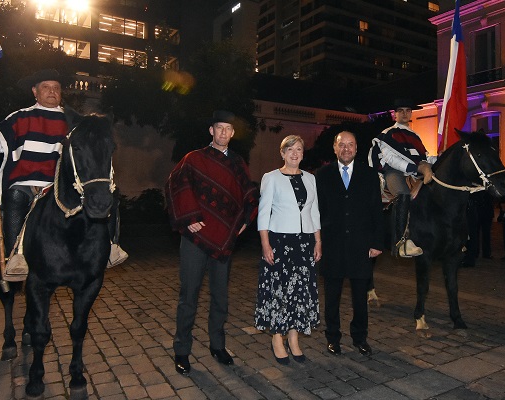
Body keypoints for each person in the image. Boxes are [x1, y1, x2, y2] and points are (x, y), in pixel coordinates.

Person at [165, 110, 259, 374]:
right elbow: (176, 185)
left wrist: (243, 223)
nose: (224, 133)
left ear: (232, 133)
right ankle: (182, 350)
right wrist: (188, 217)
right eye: (219, 128)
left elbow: (249, 196)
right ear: (211, 131)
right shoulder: (194, 158)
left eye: (228, 129)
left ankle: (218, 345)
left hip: (224, 241)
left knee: (220, 297)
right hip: (195, 238)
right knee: (189, 296)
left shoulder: (238, 163)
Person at [0, 69, 69, 278]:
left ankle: (108, 245)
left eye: (56, 88)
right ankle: (15, 257)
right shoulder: (20, 117)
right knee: (15, 196)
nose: (52, 92)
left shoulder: (71, 120)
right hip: (25, 183)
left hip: (57, 186)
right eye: (46, 87)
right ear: (35, 92)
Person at [316, 131, 385, 356]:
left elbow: (376, 210)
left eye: (350, 145)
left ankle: (360, 337)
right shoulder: (322, 175)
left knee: (359, 297)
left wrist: (376, 242)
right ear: (334, 149)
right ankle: (333, 337)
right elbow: (316, 212)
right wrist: (317, 243)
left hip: (361, 245)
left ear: (356, 148)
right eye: (341, 145)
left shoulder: (370, 175)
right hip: (332, 245)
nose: (346, 149)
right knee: (332, 296)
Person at [255, 135, 321, 365]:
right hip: (280, 242)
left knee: (301, 292)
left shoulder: (311, 179)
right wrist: (265, 244)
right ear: (282, 153)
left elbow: (314, 212)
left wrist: (318, 241)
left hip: (304, 243)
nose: (295, 153)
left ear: (303, 153)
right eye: (290, 149)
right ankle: (277, 338)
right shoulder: (271, 178)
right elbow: (263, 214)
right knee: (280, 291)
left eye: (299, 149)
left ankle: (294, 339)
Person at [368, 98, 435, 257]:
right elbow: (392, 159)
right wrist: (415, 168)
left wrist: (439, 158)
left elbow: (424, 157)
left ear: (411, 113)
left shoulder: (416, 136)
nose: (405, 113)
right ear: (395, 114)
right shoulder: (387, 134)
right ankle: (401, 241)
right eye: (401, 111)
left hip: (415, 174)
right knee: (403, 195)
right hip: (393, 172)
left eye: (407, 110)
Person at [463, 190, 495, 267]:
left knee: (476, 236)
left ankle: (473, 258)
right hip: (474, 213)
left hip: (478, 213)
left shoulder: (479, 191)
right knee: (473, 236)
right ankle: (473, 255)